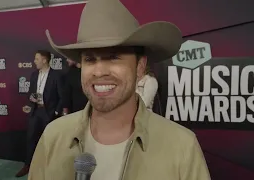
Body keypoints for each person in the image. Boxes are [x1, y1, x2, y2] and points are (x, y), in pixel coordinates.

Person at [28, 0, 211, 180]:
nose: (99, 72)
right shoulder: (53, 136)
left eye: (114, 57)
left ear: (140, 66)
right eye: (90, 59)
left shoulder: (182, 146)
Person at [15, 50, 63, 177]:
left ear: (44, 60)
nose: (34, 61)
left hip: (49, 113)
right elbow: (31, 91)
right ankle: (28, 166)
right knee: (31, 139)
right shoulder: (34, 74)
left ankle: (49, 168)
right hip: (35, 111)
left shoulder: (56, 75)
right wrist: (31, 97)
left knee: (48, 142)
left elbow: (62, 96)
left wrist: (56, 112)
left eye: (37, 59)